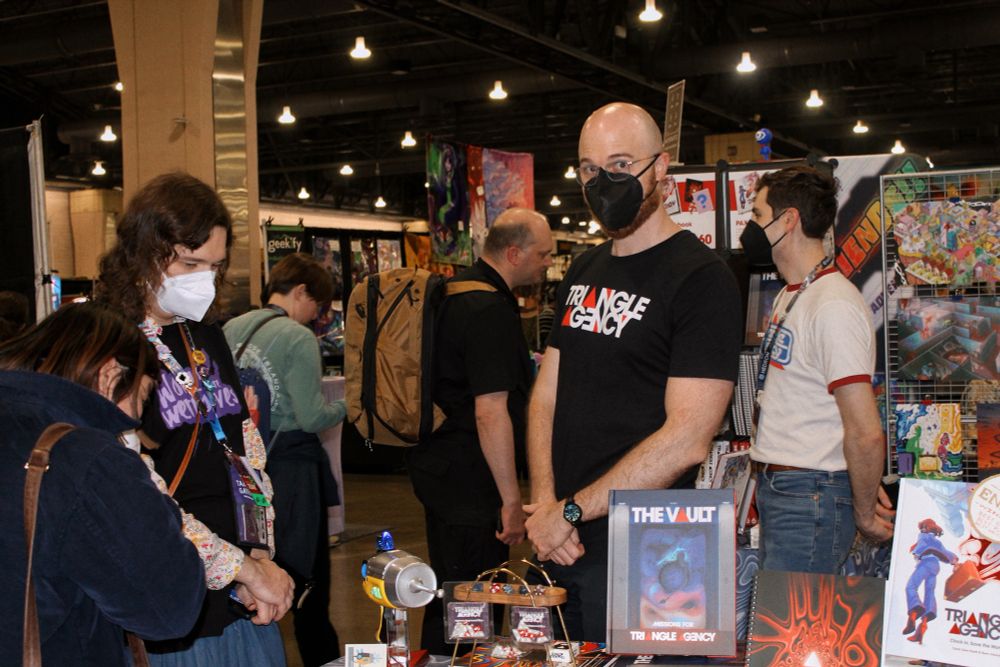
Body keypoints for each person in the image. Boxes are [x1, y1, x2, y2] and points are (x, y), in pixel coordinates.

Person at [524, 103, 742, 641]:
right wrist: (549, 507)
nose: (604, 183)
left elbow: (689, 438)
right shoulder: (584, 267)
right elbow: (545, 397)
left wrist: (570, 511)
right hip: (561, 544)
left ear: (661, 168)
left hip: (653, 553)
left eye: (621, 165)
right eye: (590, 169)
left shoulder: (701, 279)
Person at [96, 172, 294, 665]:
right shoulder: (107, 346)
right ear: (142, 252)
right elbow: (137, 494)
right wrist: (242, 569)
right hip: (171, 604)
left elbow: (245, 448)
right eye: (189, 262)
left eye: (214, 265)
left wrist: (259, 555)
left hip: (239, 596)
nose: (202, 279)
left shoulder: (204, 335)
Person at [0, 301, 206, 666]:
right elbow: (170, 607)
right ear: (112, 374)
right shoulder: (85, 457)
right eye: (142, 397)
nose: (134, 423)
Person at [407, 207, 553, 654]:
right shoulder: (487, 308)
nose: (549, 263)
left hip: (439, 467)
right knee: (474, 600)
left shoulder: (452, 292)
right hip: (471, 479)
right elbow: (491, 413)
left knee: (454, 594)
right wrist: (512, 502)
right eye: (543, 255)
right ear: (514, 253)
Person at [741, 165, 894, 575]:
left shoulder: (833, 304)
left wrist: (862, 510)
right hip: (789, 489)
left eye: (757, 214)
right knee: (786, 625)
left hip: (810, 493)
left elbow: (864, 430)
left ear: (787, 220)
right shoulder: (795, 295)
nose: (750, 226)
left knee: (794, 630)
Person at [224, 253, 346, 667]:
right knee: (306, 575)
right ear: (300, 293)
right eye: (318, 306)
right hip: (292, 466)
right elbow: (312, 415)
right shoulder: (297, 337)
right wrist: (348, 405)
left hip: (243, 467)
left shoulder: (231, 327)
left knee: (254, 561)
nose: (316, 316)